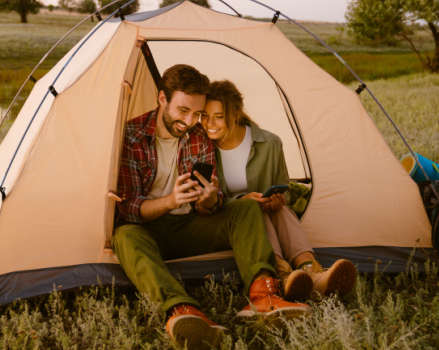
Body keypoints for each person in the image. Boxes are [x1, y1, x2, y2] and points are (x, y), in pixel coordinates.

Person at [113, 65, 311, 349]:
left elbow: (213, 203)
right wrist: (171, 200)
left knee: (246, 208)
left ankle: (263, 297)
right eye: (183, 111)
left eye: (197, 113)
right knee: (124, 236)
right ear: (162, 99)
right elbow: (129, 208)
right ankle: (183, 311)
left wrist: (208, 200)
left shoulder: (198, 133)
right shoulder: (132, 135)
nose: (190, 121)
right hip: (148, 231)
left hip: (191, 227)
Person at [201, 80, 357, 301]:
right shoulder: (202, 149)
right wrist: (242, 201)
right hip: (231, 221)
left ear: (236, 113)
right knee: (252, 211)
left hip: (270, 213)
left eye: (218, 116)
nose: (210, 123)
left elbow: (285, 189)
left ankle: (311, 271)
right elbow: (206, 201)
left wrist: (279, 199)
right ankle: (283, 275)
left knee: (278, 211)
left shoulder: (270, 143)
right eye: (205, 116)